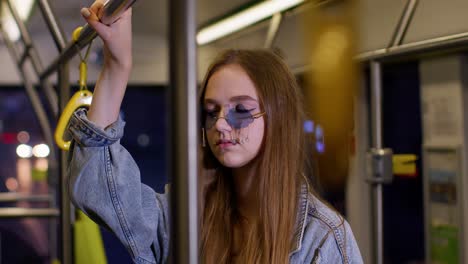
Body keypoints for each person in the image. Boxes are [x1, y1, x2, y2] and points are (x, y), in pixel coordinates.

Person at [68, 1, 363, 263]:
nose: (220, 124)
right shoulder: (188, 215)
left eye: (241, 110)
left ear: (278, 119)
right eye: (211, 112)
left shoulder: (323, 238)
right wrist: (118, 67)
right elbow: (97, 188)